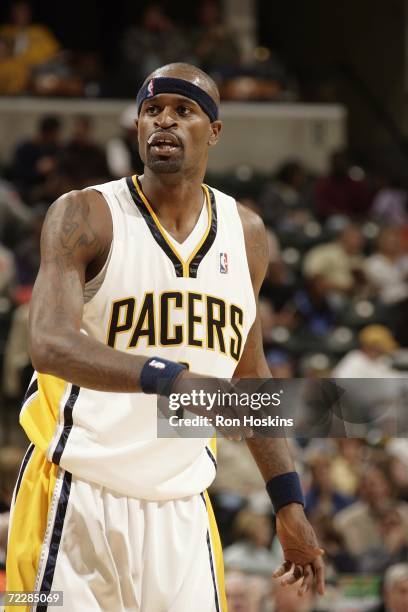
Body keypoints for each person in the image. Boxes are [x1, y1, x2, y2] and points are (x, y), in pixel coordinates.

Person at [6, 63, 324, 611]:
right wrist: (168, 379)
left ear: (214, 132)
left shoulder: (245, 234)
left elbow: (249, 377)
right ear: (136, 127)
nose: (165, 122)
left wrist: (288, 500)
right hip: (75, 493)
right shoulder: (86, 214)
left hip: (182, 508)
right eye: (152, 111)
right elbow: (51, 344)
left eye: (184, 111)